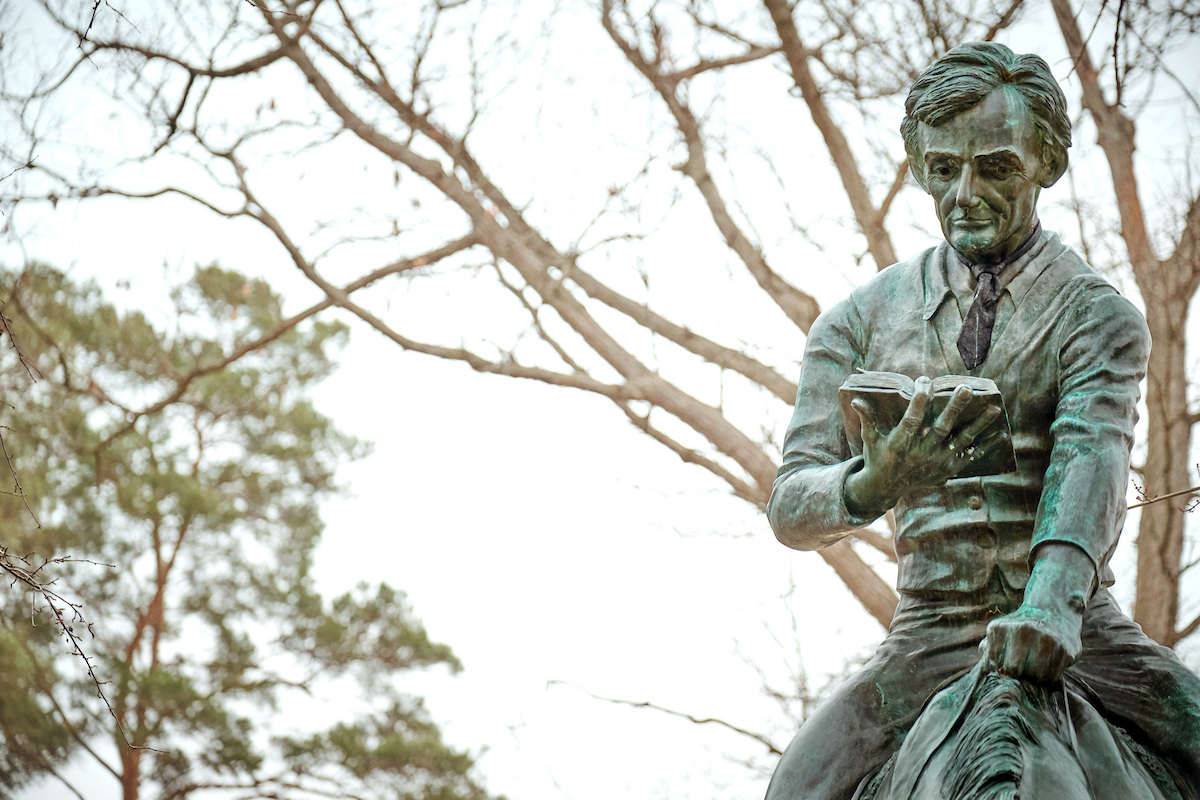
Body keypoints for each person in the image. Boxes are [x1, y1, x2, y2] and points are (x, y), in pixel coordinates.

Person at [765, 41, 1200, 800]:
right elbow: (791, 503)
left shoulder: (1098, 317)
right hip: (925, 636)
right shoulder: (855, 325)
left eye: (994, 166)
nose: (964, 192)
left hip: (1074, 627)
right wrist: (872, 484)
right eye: (942, 168)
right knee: (796, 789)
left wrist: (1051, 607)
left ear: (1046, 163)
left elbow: (1089, 458)